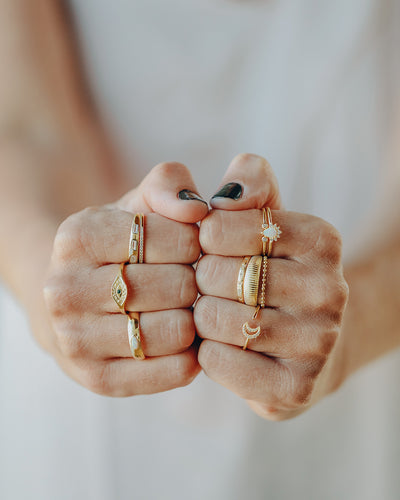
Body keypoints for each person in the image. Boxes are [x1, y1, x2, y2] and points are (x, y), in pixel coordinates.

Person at [0, 1, 399, 499]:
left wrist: (348, 328)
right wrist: (53, 284)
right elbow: (24, 128)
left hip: (356, 381)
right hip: (86, 414)